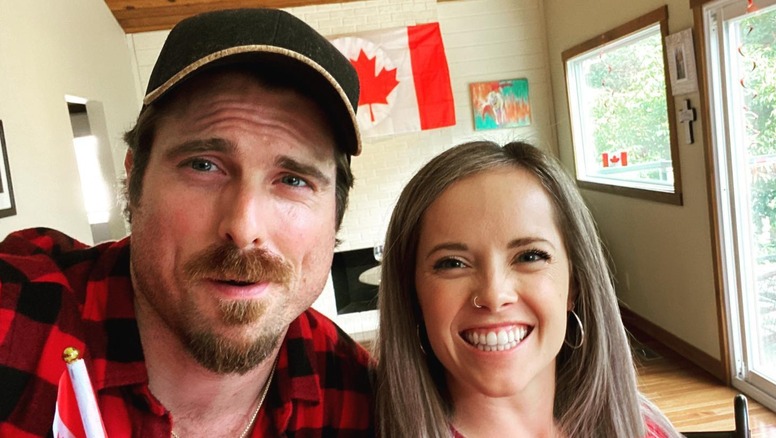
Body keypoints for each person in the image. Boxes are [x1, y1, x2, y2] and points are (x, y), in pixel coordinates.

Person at [0, 8, 374, 437]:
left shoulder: (360, 400)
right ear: (133, 181)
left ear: (336, 214)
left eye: (293, 179)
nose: (244, 225)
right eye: (203, 165)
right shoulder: (22, 319)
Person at [374, 141, 680, 437]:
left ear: (574, 283)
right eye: (452, 263)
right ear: (412, 294)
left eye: (530, 256)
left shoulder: (648, 430)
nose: (494, 295)